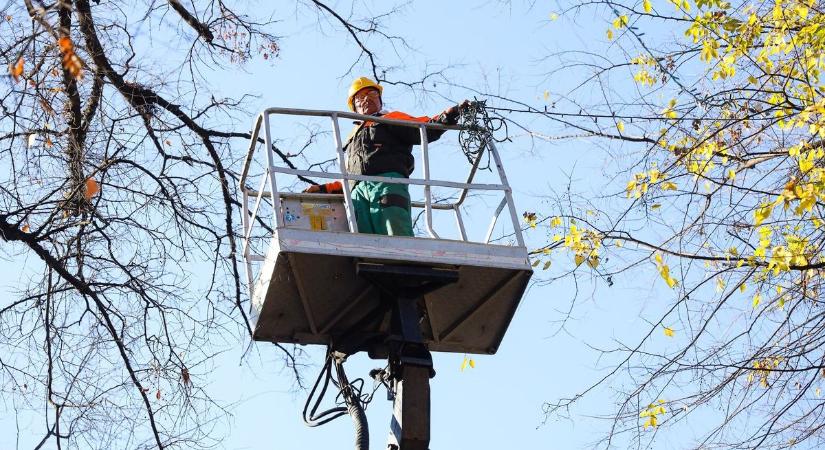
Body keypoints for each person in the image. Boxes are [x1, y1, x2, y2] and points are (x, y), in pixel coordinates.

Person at [304, 77, 468, 237]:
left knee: (394, 228)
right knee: (363, 240)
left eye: (372, 94)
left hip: (387, 182)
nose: (367, 99)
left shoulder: (390, 118)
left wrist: (448, 116)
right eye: (360, 97)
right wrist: (324, 189)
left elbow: (424, 127)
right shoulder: (352, 139)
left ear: (380, 100)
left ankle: (405, 262)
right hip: (358, 194)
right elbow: (347, 177)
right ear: (355, 107)